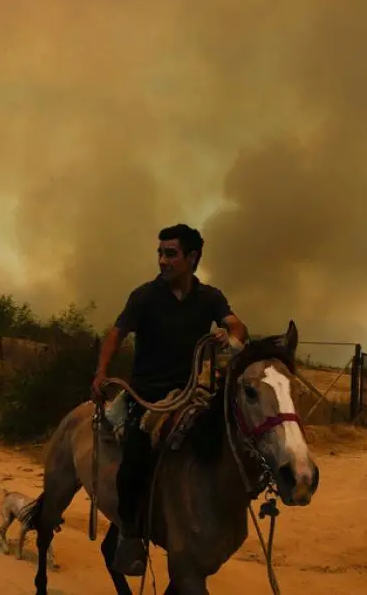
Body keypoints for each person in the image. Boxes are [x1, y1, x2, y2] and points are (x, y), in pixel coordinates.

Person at [91, 223, 249, 576]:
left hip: (191, 392)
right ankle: (131, 534)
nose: (162, 260)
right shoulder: (144, 296)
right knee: (134, 454)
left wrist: (229, 336)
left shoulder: (210, 297)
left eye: (170, 253)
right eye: (160, 252)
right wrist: (101, 372)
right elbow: (116, 334)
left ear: (192, 258)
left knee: (225, 437)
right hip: (145, 396)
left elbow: (238, 327)